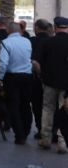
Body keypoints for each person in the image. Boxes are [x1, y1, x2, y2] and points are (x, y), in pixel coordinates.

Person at [0, 22, 34, 144]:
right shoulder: (27, 41)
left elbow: (3, 63)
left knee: (14, 106)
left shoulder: (5, 43)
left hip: (12, 77)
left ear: (9, 30)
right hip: (27, 76)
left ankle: (19, 134)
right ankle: (26, 130)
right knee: (26, 105)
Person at [35, 17, 68, 152]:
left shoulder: (47, 42)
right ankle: (62, 142)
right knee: (64, 113)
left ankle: (46, 139)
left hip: (49, 83)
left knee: (48, 109)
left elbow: (35, 63)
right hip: (66, 86)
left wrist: (41, 75)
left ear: (55, 27)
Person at [30, 19, 53, 139]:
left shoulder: (32, 41)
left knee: (37, 105)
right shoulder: (51, 41)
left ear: (37, 28)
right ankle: (52, 131)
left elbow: (34, 62)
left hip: (36, 78)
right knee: (51, 106)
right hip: (51, 78)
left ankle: (41, 129)